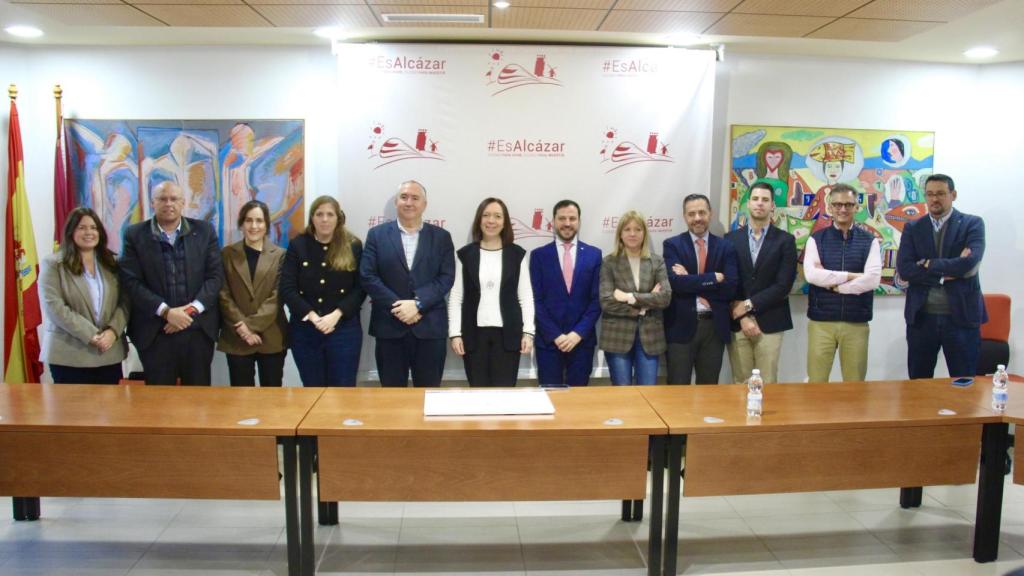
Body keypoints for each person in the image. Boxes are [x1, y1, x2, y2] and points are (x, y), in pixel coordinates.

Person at [120, 181, 222, 386]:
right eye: (162, 199)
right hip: (156, 333)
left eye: (174, 199)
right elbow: (131, 281)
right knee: (160, 405)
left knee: (199, 402)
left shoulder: (204, 231)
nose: (169, 203)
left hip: (197, 330)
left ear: (183, 202)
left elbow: (215, 277)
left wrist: (189, 312)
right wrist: (167, 312)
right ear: (152, 203)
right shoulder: (134, 235)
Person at [360, 181, 455, 387]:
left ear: (424, 204)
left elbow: (446, 277)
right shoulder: (377, 235)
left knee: (428, 395)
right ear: (396, 202)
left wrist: (418, 304)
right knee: (392, 398)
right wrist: (400, 307)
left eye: (415, 198)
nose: (409, 202)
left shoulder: (441, 237)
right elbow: (368, 276)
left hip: (429, 329)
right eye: (404, 197)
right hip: (389, 328)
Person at [896, 174, 986, 379]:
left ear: (953, 195)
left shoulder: (972, 224)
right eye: (930, 194)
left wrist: (929, 264)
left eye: (940, 194)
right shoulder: (913, 227)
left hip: (961, 318)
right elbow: (906, 269)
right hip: (922, 318)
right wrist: (945, 275)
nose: (934, 199)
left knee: (963, 382)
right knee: (919, 382)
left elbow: (969, 264)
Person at [280, 195, 365, 386]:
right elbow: (287, 288)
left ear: (338, 218)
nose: (325, 219)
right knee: (313, 388)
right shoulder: (298, 245)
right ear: (312, 218)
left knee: (343, 389)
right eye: (319, 214)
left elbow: (361, 288)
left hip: (344, 330)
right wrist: (312, 316)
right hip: (306, 331)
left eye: (330, 214)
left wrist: (336, 315)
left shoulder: (353, 245)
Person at [448, 197, 534, 386]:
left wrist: (528, 332)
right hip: (473, 336)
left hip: (509, 336)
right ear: (479, 220)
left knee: (504, 393)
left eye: (497, 216)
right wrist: (455, 333)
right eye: (486, 215)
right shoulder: (465, 255)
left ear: (505, 222)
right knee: (478, 392)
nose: (491, 221)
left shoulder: (516, 255)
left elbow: (525, 296)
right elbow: (456, 297)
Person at [39, 207, 129, 384]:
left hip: (108, 354)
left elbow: (125, 302)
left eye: (93, 228)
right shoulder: (54, 264)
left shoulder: (113, 263)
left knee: (110, 411)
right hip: (68, 355)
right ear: (71, 231)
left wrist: (112, 331)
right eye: (82, 227)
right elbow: (54, 307)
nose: (89, 232)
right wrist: (91, 335)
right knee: (73, 412)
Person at [804, 183, 881, 382]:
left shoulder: (869, 241)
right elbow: (812, 276)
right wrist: (853, 276)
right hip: (821, 323)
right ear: (829, 207)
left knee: (855, 384)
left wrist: (835, 285)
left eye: (848, 204)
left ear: (857, 207)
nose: (843, 209)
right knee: (816, 383)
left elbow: (872, 280)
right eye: (837, 205)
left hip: (856, 322)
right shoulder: (816, 239)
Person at [725, 182, 797, 384]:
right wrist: (743, 317)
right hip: (739, 323)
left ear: (772, 205)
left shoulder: (786, 241)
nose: (760, 204)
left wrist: (748, 305)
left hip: (771, 322)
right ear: (748, 203)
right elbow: (729, 283)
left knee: (768, 383)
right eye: (755, 199)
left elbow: (783, 285)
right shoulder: (730, 239)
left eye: (765, 200)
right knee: (740, 382)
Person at [663, 194, 738, 385]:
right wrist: (712, 278)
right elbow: (675, 284)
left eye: (702, 212)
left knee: (709, 388)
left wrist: (690, 279)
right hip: (680, 326)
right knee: (677, 389)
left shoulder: (726, 247)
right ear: (684, 216)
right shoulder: (672, 245)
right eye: (692, 214)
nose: (697, 218)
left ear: (710, 214)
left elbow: (730, 288)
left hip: (714, 327)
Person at [530, 200, 602, 386]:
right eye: (562, 218)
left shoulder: (594, 255)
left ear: (579, 221)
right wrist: (556, 335)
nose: (567, 223)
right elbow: (535, 300)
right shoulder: (539, 256)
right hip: (549, 342)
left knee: (578, 401)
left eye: (572, 218)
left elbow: (596, 301)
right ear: (553, 221)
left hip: (581, 342)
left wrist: (577, 334)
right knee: (549, 396)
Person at [217, 200, 288, 387]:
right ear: (242, 224)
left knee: (271, 397)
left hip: (271, 335)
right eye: (249, 220)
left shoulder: (281, 255)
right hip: (236, 337)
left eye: (259, 220)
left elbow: (278, 296)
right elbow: (223, 294)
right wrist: (242, 328)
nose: (254, 226)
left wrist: (249, 326)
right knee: (241, 399)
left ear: (266, 225)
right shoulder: (227, 254)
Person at [598, 211, 670, 385]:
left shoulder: (656, 261)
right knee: (622, 394)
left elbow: (665, 297)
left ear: (644, 233)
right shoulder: (609, 262)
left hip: (650, 336)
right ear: (620, 234)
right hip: (617, 336)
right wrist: (645, 305)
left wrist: (629, 297)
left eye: (637, 229)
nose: (632, 234)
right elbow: (606, 302)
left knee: (647, 391)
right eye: (627, 229)